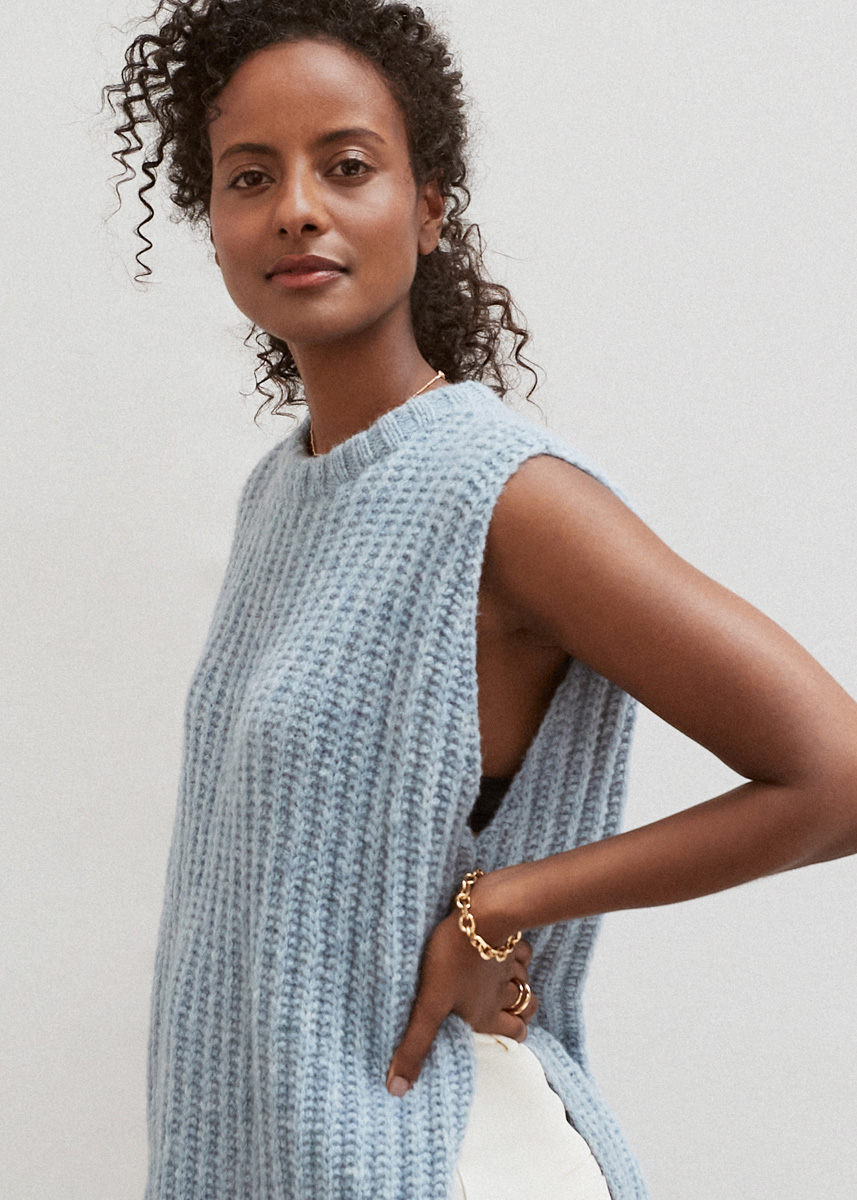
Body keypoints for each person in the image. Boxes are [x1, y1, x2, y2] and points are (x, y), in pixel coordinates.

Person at [103, 2, 857, 1198]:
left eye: (346, 166)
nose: (295, 206)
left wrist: (499, 905)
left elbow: (835, 776)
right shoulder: (279, 494)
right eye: (249, 176)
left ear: (428, 209)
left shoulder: (500, 492)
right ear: (214, 223)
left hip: (441, 1154)